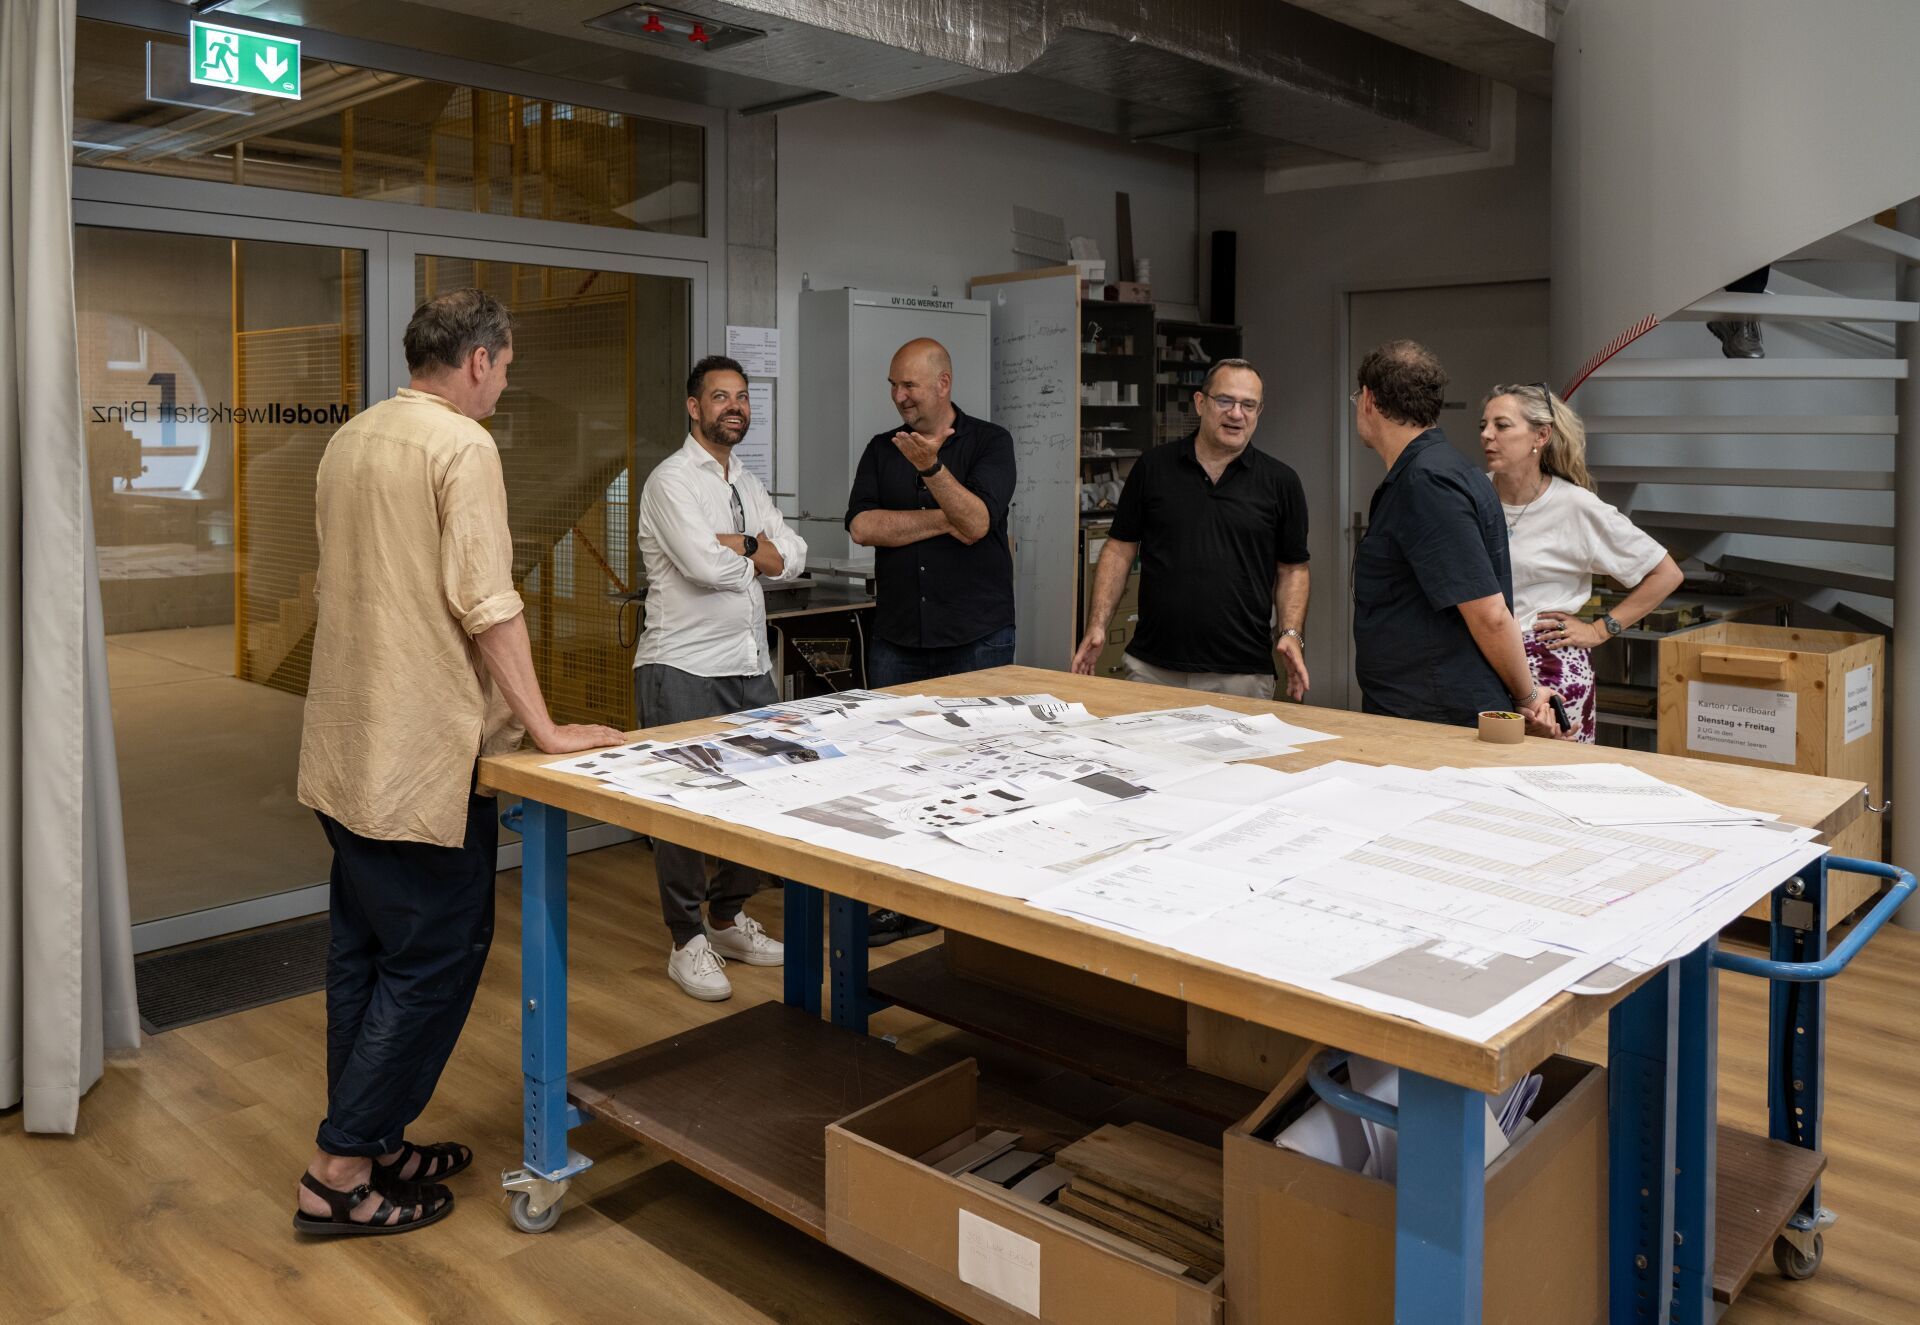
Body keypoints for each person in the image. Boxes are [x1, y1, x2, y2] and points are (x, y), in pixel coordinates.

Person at [294, 289, 626, 1236]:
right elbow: (487, 603)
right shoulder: (463, 446)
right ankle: (339, 1169)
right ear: (478, 362)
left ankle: (377, 1136)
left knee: (363, 951)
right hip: (415, 756)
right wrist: (550, 730)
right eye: (508, 368)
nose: (505, 387)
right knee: (437, 955)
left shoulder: (350, 438)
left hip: (343, 745)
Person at [635, 354, 807, 1000]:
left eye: (741, 397)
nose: (734, 406)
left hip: (746, 665)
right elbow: (705, 568)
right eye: (720, 397)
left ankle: (728, 916)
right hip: (681, 666)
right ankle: (687, 940)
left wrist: (743, 545)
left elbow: (794, 555)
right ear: (693, 407)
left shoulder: (749, 481)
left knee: (762, 799)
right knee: (681, 810)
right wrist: (754, 550)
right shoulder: (671, 481)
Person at [846, 337, 1016, 946]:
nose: (898, 397)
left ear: (943, 384)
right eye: (893, 386)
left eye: (909, 386)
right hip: (898, 638)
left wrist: (932, 474)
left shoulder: (991, 443)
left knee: (977, 775)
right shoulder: (879, 448)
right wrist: (946, 518)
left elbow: (979, 523)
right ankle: (903, 902)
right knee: (897, 775)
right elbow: (864, 526)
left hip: (977, 639)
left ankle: (974, 912)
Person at [1072, 358, 1310, 702]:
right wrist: (1096, 625)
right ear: (1201, 403)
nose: (1236, 413)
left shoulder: (1281, 482)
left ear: (1259, 411)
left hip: (1241, 674)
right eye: (1225, 401)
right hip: (1152, 669)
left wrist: (1291, 633)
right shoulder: (1153, 468)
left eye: (1248, 405)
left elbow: (1293, 568)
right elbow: (1119, 549)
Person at [1348, 340, 1556, 734]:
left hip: (1434, 717)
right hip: (1422, 708)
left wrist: (1527, 698)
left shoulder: (1428, 482)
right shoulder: (1434, 471)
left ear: (1369, 400)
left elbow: (1489, 614)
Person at [1480, 382, 1684, 742]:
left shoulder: (1576, 506)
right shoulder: (1472, 497)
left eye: (1501, 425)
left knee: (1552, 783)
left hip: (1551, 665)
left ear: (1540, 436)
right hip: (1482, 660)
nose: (1487, 435)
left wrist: (1600, 630)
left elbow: (1665, 573)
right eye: (1483, 425)